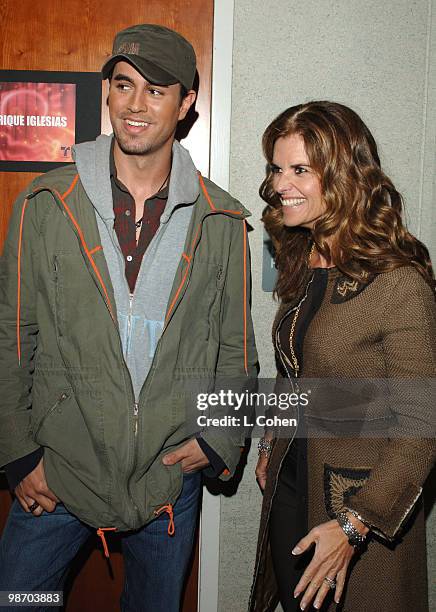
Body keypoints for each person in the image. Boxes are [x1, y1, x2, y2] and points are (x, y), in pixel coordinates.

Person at [0, 24, 257, 611]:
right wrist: (19, 454)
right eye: (124, 85)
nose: (136, 105)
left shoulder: (223, 221)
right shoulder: (44, 205)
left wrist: (218, 439)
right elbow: (10, 335)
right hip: (58, 474)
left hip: (167, 480)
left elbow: (236, 350)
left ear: (186, 103)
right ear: (108, 92)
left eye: (157, 89)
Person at [249, 101, 435, 612]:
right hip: (291, 485)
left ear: (346, 176)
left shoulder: (400, 282)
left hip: (356, 511)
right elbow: (297, 372)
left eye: (300, 170)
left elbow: (421, 426)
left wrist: (356, 524)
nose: (279, 184)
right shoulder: (302, 258)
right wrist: (270, 443)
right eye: (276, 168)